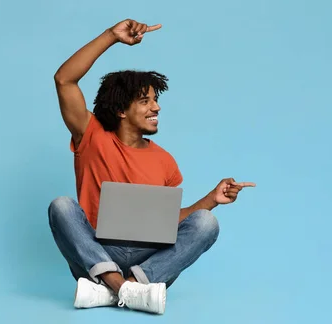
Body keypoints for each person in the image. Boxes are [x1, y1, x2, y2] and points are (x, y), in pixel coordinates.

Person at [47, 19, 255, 315]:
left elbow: (167, 225)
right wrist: (111, 36)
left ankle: (115, 289)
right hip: (98, 251)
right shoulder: (91, 135)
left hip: (147, 262)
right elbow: (64, 79)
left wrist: (212, 200)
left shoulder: (165, 161)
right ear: (121, 110)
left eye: (156, 101)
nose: (156, 108)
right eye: (145, 101)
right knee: (61, 206)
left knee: (207, 223)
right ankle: (123, 288)